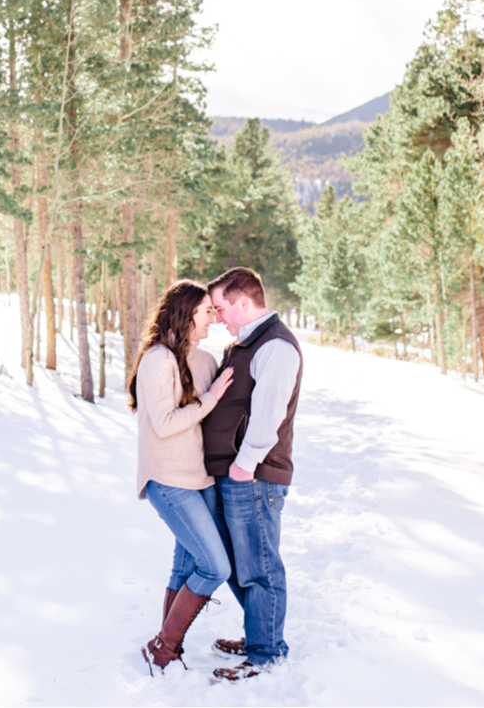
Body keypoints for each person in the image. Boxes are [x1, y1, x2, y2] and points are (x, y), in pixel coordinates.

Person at [128, 279, 236, 673]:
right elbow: (165, 422)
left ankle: (166, 648)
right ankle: (163, 645)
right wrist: (210, 400)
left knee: (185, 565)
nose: (213, 318)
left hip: (200, 478)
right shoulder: (158, 359)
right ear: (186, 313)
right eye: (207, 311)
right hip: (168, 480)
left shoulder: (204, 359)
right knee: (215, 567)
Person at [201, 266, 303, 682]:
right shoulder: (247, 343)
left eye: (222, 307)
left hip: (255, 474)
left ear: (244, 301)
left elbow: (269, 410)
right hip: (239, 473)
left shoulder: (275, 346)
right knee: (239, 564)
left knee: (259, 566)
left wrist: (246, 464)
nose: (218, 316)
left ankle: (266, 653)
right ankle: (262, 635)